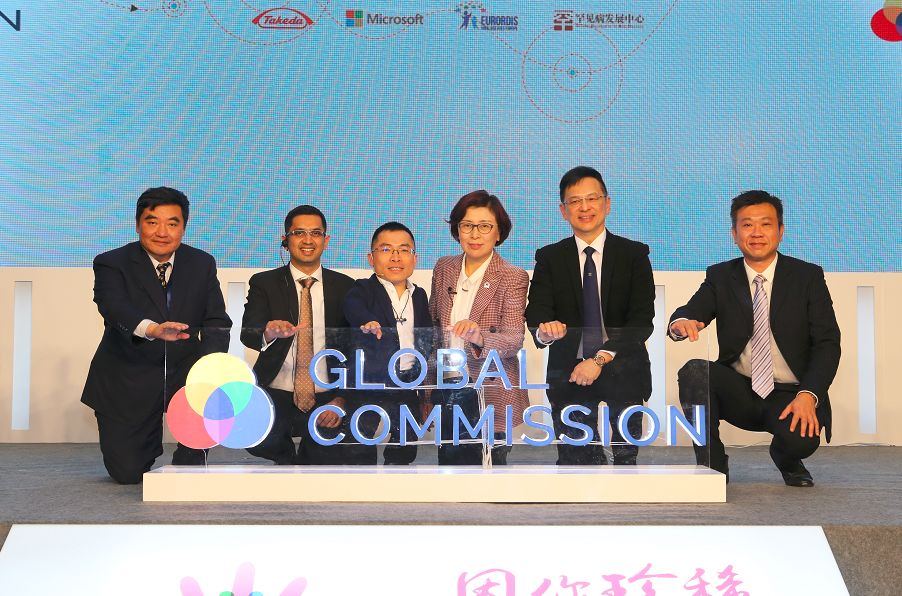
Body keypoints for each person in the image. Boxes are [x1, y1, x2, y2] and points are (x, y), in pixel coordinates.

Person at [668, 190, 840, 486]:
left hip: (790, 394)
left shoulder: (807, 277)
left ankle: (786, 457)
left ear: (780, 231)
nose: (757, 233)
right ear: (734, 234)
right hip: (740, 390)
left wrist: (808, 395)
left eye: (766, 224)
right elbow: (691, 311)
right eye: (747, 225)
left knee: (801, 441)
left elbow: (827, 344)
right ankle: (712, 465)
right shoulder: (721, 276)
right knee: (695, 371)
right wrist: (680, 322)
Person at [81, 187, 231, 484]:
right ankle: (143, 445)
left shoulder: (201, 263)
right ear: (138, 224)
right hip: (128, 376)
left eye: (172, 223)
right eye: (152, 222)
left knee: (190, 469)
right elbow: (113, 306)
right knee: (127, 472)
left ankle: (190, 451)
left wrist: (209, 370)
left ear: (183, 227)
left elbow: (216, 320)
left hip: (184, 373)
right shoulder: (111, 262)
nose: (162, 232)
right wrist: (151, 329)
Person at [525, 166, 655, 466]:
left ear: (607, 204)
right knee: (577, 465)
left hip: (622, 365)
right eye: (575, 201)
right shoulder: (550, 257)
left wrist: (598, 360)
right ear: (563, 211)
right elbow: (537, 310)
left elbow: (641, 321)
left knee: (625, 465)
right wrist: (545, 330)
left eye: (592, 198)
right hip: (569, 372)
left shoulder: (634, 255)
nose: (584, 207)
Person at [240, 205, 355, 464]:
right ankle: (288, 461)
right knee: (256, 436)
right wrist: (268, 331)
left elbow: (354, 349)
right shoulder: (264, 283)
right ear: (286, 239)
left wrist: (341, 399)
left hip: (327, 393)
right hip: (276, 391)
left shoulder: (346, 286)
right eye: (299, 233)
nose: (307, 240)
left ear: (326, 240)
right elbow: (248, 333)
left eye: (316, 233)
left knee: (330, 448)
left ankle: (304, 461)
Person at [430, 190, 530, 465]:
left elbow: (513, 339)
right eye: (467, 225)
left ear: (498, 233)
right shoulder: (444, 267)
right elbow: (433, 329)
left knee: (489, 474)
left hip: (490, 389)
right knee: (449, 470)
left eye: (484, 226)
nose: (475, 234)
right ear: (457, 229)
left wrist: (480, 337)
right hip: (448, 386)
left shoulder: (513, 276)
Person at [342, 222, 433, 464]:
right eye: (386, 249)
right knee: (360, 441)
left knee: (406, 442)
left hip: (407, 383)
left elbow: (427, 336)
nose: (395, 257)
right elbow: (352, 307)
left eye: (403, 250)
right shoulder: (363, 288)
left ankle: (397, 471)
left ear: (414, 259)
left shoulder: (420, 295)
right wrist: (366, 321)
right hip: (370, 384)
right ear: (371, 258)